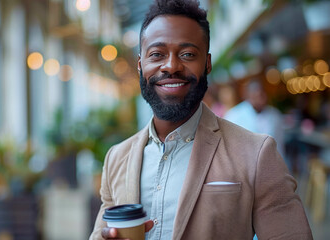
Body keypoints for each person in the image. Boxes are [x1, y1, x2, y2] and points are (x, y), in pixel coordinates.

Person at [90, 0, 312, 239]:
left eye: (187, 54)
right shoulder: (116, 159)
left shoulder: (256, 154)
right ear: (140, 65)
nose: (171, 66)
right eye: (156, 54)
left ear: (207, 64)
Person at [224, 80, 286, 163]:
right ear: (248, 96)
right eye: (257, 95)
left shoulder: (275, 115)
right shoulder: (234, 116)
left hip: (272, 166)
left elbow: (280, 145)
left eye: (262, 94)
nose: (261, 98)